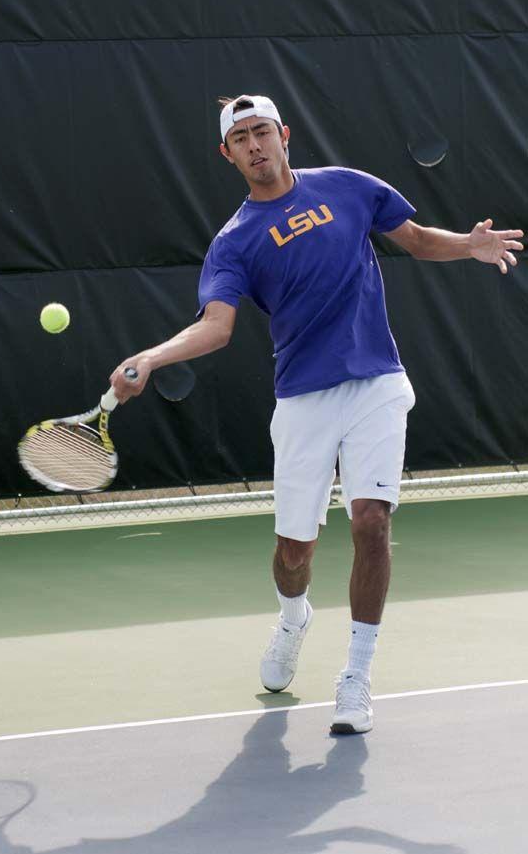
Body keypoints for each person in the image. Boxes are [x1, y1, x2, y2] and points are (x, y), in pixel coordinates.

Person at [110, 94, 523, 734]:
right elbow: (216, 327)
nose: (254, 145)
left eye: (262, 132)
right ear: (228, 154)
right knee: (295, 550)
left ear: (284, 135)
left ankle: (356, 677)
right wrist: (151, 357)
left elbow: (414, 240)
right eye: (241, 138)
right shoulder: (234, 242)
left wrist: (468, 246)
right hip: (303, 398)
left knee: (370, 522)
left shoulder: (351, 189)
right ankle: (293, 616)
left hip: (377, 384)